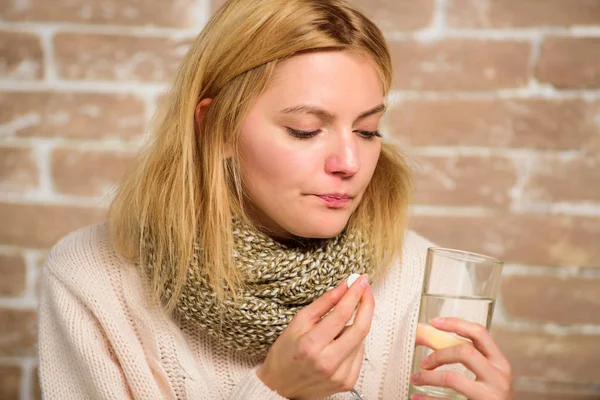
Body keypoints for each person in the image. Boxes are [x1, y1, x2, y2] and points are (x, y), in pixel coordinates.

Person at [37, 0, 513, 399]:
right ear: (215, 125)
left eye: (368, 130)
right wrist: (274, 390)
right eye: (305, 130)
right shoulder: (91, 278)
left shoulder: (429, 278)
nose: (350, 161)